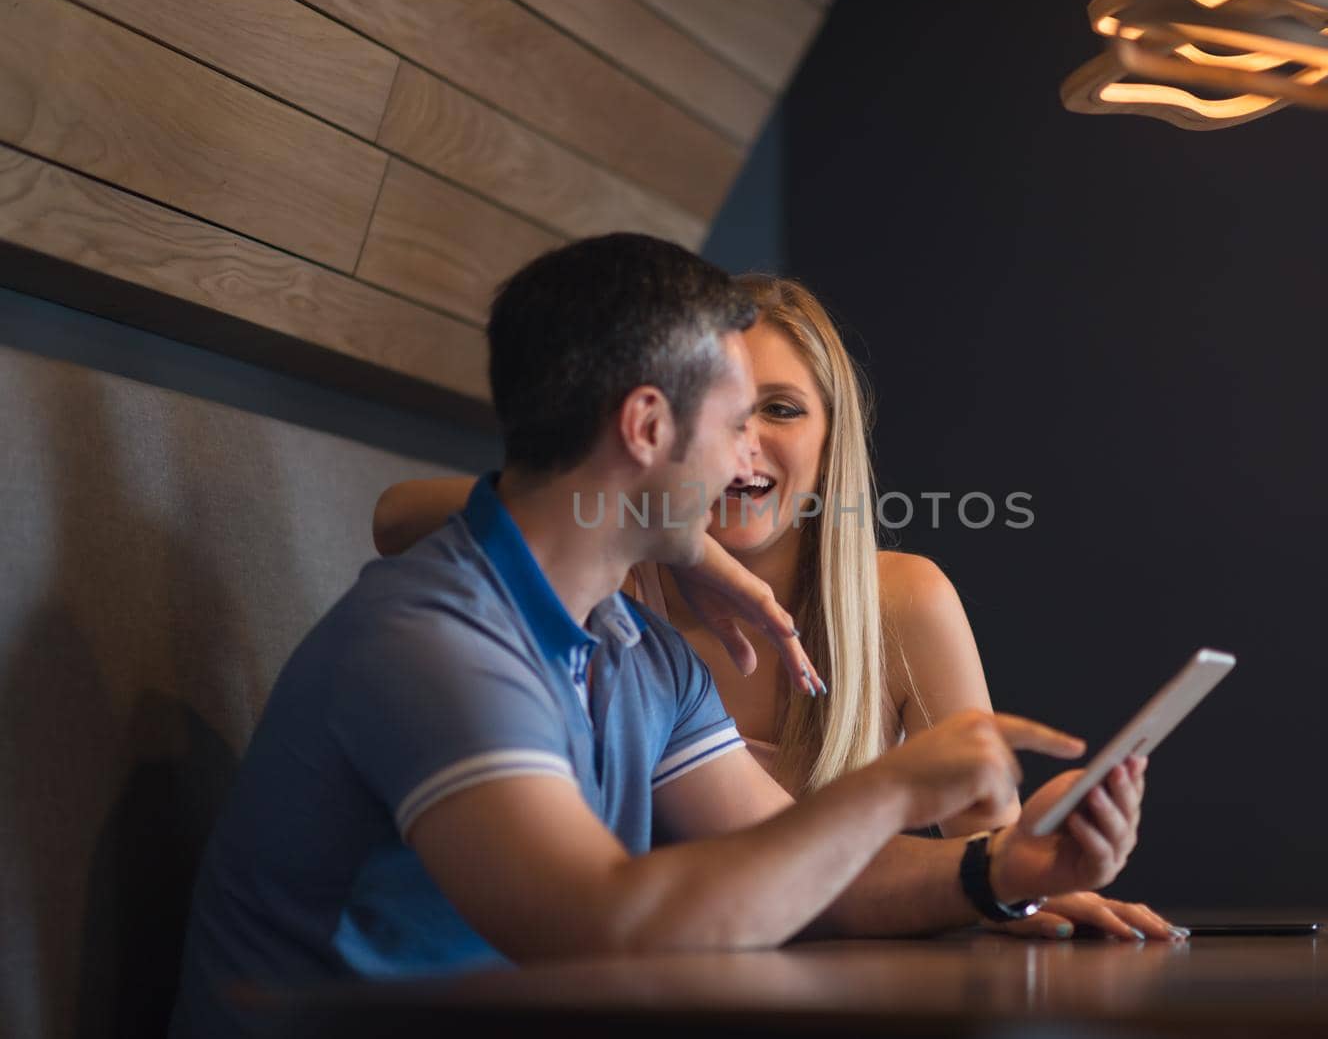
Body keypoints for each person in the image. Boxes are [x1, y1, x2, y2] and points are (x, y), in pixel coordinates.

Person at [170, 234, 1150, 1037]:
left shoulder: (641, 651)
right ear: (646, 427)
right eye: (732, 421)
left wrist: (1003, 867)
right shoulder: (437, 642)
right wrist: (894, 785)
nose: (742, 460)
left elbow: (806, 877)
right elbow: (604, 930)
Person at [372, 274, 1179, 943]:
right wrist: (679, 541)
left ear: (833, 446)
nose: (745, 444)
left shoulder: (898, 599)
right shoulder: (615, 614)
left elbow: (876, 860)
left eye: (781, 409)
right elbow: (397, 517)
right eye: (725, 414)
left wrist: (1011, 873)